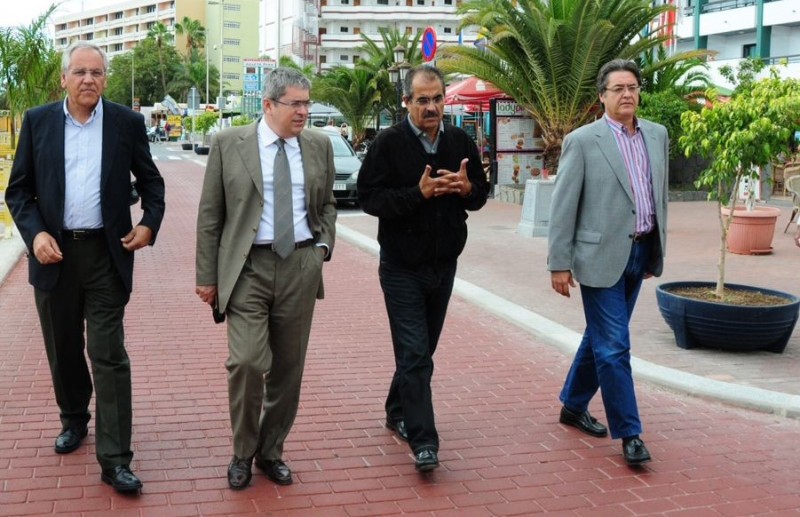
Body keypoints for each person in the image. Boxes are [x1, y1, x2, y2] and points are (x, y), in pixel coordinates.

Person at [5, 41, 165, 493]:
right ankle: (74, 416)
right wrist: (34, 233)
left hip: (106, 255)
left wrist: (150, 224)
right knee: (64, 347)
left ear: (106, 78)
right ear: (64, 78)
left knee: (109, 353)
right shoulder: (37, 123)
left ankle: (115, 459)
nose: (89, 80)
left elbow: (152, 183)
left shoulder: (126, 124)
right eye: (80, 72)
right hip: (53, 253)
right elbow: (18, 191)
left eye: (96, 72)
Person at [195, 67, 337, 490]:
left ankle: (270, 451)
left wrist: (322, 248)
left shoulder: (318, 145)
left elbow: (327, 204)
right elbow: (209, 216)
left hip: (299, 266)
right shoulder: (228, 143)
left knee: (288, 370)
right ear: (269, 104)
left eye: (307, 103)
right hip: (247, 269)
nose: (304, 112)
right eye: (296, 103)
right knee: (247, 361)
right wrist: (207, 276)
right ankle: (242, 451)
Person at [357, 65, 489, 472]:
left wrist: (467, 189)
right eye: (422, 100)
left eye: (437, 99)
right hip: (400, 267)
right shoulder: (389, 144)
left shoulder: (459, 141)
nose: (431, 107)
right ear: (407, 102)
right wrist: (418, 194)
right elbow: (369, 198)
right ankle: (424, 441)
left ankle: (397, 406)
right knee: (415, 354)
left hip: (444, 264)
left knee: (422, 351)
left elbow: (480, 194)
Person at [547, 59, 669, 466]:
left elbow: (657, 196)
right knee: (615, 346)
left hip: (640, 252)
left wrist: (655, 249)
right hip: (598, 256)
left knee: (601, 338)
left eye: (632, 87)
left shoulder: (656, 135)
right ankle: (630, 433)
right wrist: (558, 263)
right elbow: (564, 206)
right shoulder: (583, 141)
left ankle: (573, 403)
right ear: (602, 95)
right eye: (618, 88)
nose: (627, 94)